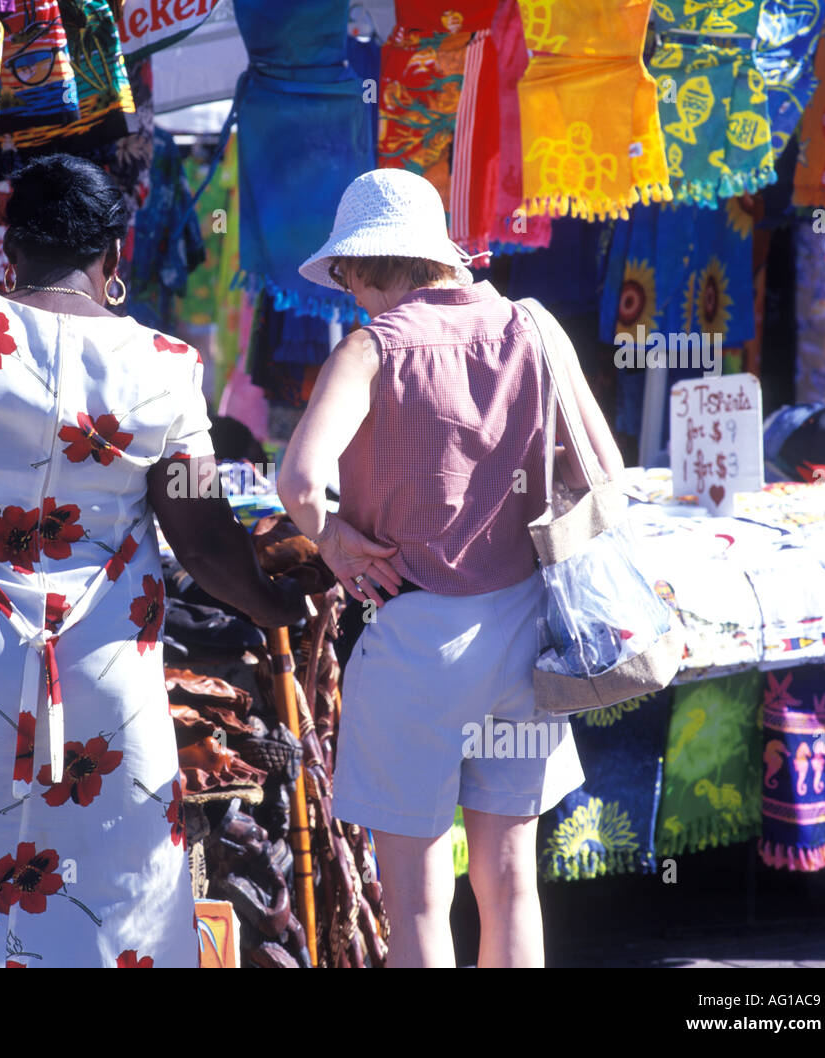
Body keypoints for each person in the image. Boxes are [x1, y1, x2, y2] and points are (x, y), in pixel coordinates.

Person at [0, 154, 305, 968]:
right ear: (115, 255)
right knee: (114, 894)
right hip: (104, 675)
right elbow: (204, 534)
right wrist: (272, 604)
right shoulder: (164, 367)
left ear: (12, 250)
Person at [278, 169, 625, 968]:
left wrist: (332, 539)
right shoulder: (534, 329)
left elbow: (299, 481)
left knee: (420, 904)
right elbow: (598, 475)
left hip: (415, 646)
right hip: (525, 636)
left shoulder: (372, 348)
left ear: (367, 265)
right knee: (510, 885)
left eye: (344, 273)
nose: (346, 289)